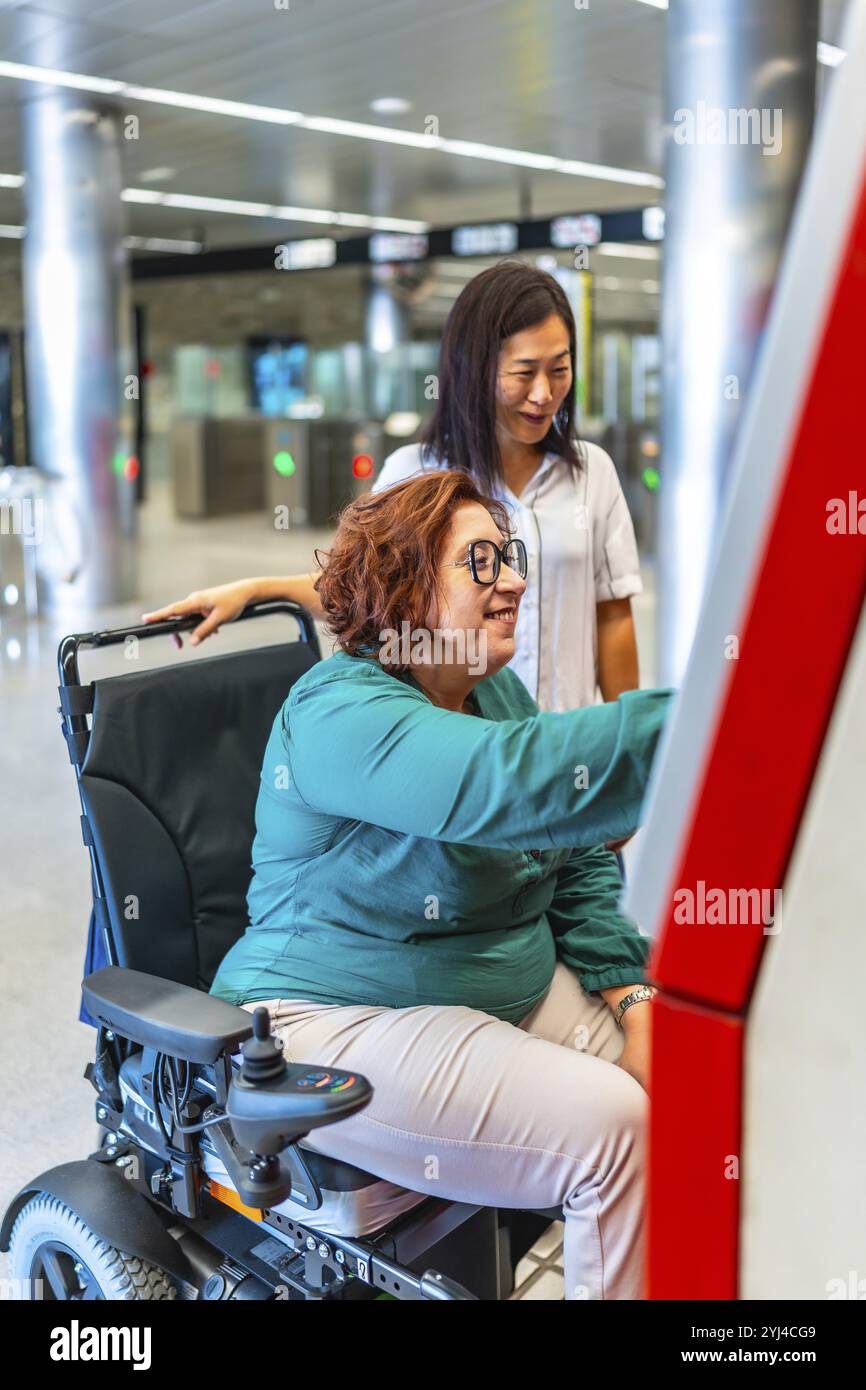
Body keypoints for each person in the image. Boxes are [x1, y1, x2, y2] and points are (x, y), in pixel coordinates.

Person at [208, 471, 672, 1300]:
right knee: (619, 1130)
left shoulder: (488, 688)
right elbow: (509, 786)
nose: (517, 581)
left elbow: (575, 858)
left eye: (512, 557)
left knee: (697, 1076)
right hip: (335, 1018)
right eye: (482, 563)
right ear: (406, 587)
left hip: (501, 988)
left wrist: (632, 996)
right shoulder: (340, 713)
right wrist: (723, 710)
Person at [143, 261, 642, 713]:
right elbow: (360, 593)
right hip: (464, 744)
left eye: (559, 369)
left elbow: (613, 617)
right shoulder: (416, 471)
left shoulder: (590, 472)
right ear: (476, 369)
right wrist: (254, 590)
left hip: (564, 749)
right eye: (523, 372)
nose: (544, 393)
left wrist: (629, 741)